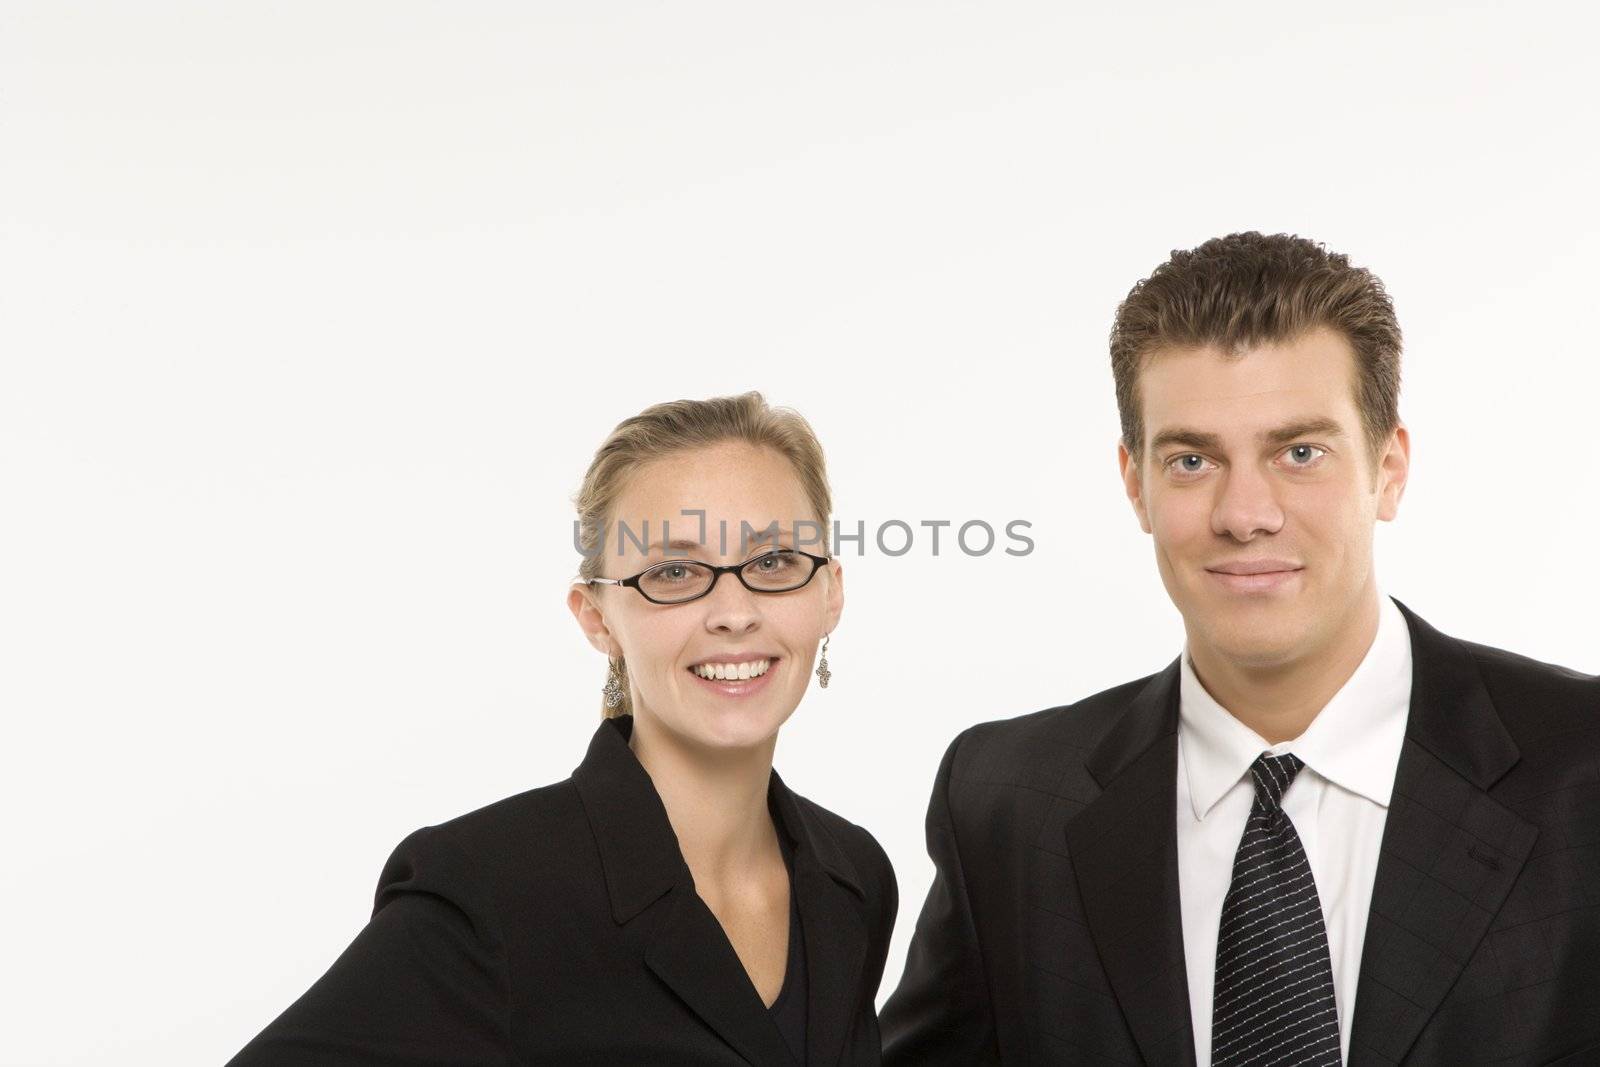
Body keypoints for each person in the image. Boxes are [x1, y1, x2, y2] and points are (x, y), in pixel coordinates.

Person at [880, 232, 1600, 1066]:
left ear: (1389, 468)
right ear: (1135, 483)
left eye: (1300, 453)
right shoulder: (1006, 804)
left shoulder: (1582, 770)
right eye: (1191, 460)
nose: (1245, 511)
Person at [228, 391, 898, 1065]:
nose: (734, 610)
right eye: (674, 571)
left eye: (774, 561)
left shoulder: (853, 878)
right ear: (597, 616)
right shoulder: (489, 892)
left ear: (830, 591)